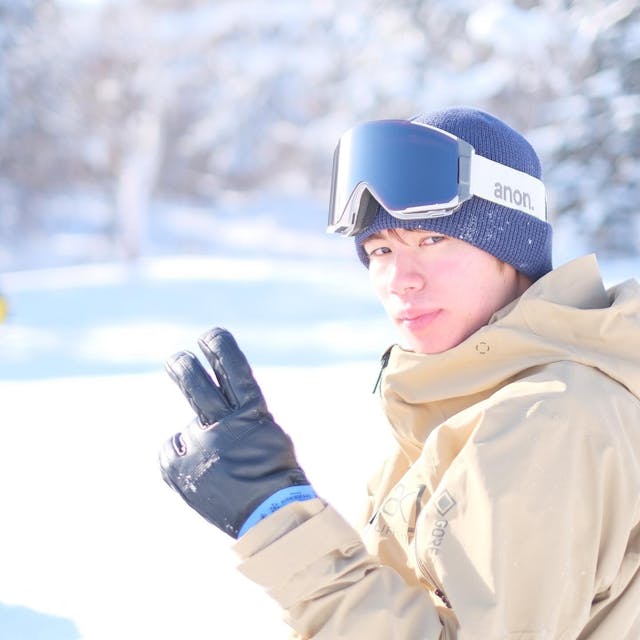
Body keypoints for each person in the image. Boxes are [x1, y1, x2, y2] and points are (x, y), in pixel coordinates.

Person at [159, 107, 640, 638]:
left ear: (513, 250)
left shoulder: (548, 417)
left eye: (431, 241)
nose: (399, 280)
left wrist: (276, 520)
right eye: (380, 249)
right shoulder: (458, 406)